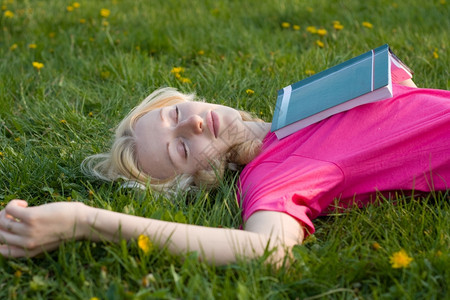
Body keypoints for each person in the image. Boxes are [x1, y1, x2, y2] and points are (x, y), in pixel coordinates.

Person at [0, 69, 449, 266]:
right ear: (202, 180)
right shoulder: (274, 172)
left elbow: (402, 87)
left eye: (176, 116)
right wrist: (84, 220)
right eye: (181, 149)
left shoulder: (297, 106)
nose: (194, 123)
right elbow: (267, 252)